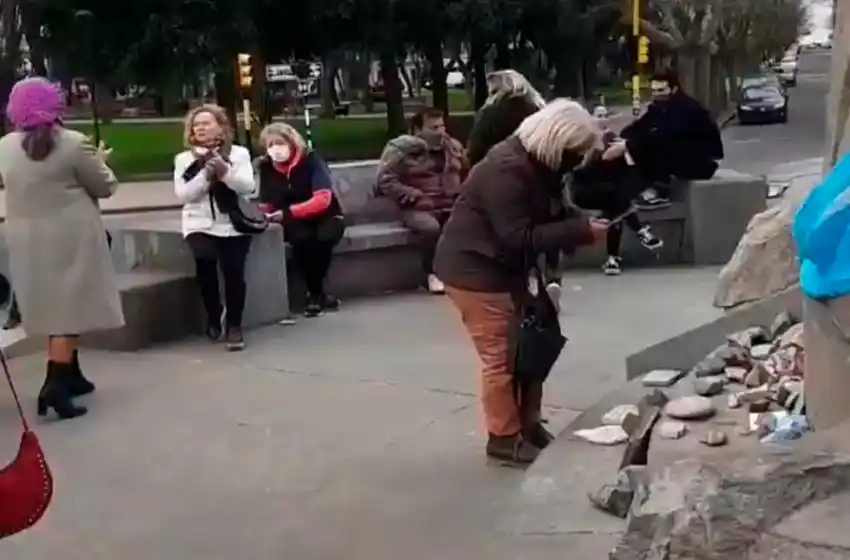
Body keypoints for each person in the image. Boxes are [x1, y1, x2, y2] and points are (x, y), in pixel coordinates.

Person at [434, 99, 608, 465]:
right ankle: (503, 436)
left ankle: (527, 425)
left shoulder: (537, 163)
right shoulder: (507, 169)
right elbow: (516, 235)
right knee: (502, 357)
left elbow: (551, 210)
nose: (575, 162)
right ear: (557, 143)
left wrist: (581, 222)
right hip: (476, 271)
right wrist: (580, 232)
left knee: (531, 347)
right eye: (574, 154)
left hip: (505, 269)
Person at [0, 77, 122, 420]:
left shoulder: (5, 146)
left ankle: (72, 374)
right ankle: (54, 385)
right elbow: (105, 186)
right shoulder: (72, 142)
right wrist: (100, 160)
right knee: (69, 309)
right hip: (72, 237)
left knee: (58, 306)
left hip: (25, 238)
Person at [464, 70, 564, 309]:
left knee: (511, 232)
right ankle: (551, 277)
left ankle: (518, 285)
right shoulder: (540, 110)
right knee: (546, 229)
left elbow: (475, 149)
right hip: (542, 177)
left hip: (503, 179)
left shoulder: (491, 113)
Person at [174, 104, 257, 351]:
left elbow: (247, 187)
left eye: (206, 123)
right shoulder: (184, 159)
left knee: (234, 271)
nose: (200, 128)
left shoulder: (239, 154)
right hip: (199, 222)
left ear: (221, 126)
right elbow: (184, 194)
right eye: (196, 124)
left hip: (233, 223)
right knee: (205, 260)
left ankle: (234, 325)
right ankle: (213, 315)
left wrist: (225, 172)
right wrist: (205, 176)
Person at [255, 123, 345, 317]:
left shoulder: (311, 160)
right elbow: (266, 202)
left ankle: (315, 293)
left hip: (325, 214)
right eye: (270, 145)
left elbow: (322, 199)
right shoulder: (266, 168)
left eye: (279, 143)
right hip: (292, 221)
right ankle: (317, 295)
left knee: (324, 238)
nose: (275, 149)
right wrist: (264, 216)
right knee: (302, 241)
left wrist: (289, 212)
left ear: (291, 142)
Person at [376, 107, 467, 294]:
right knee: (430, 229)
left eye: (442, 126)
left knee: (468, 225)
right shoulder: (401, 150)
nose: (441, 132)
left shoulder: (453, 147)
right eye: (434, 128)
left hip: (451, 203)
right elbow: (384, 180)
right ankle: (432, 274)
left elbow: (468, 172)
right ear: (418, 130)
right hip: (419, 205)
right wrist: (413, 196)